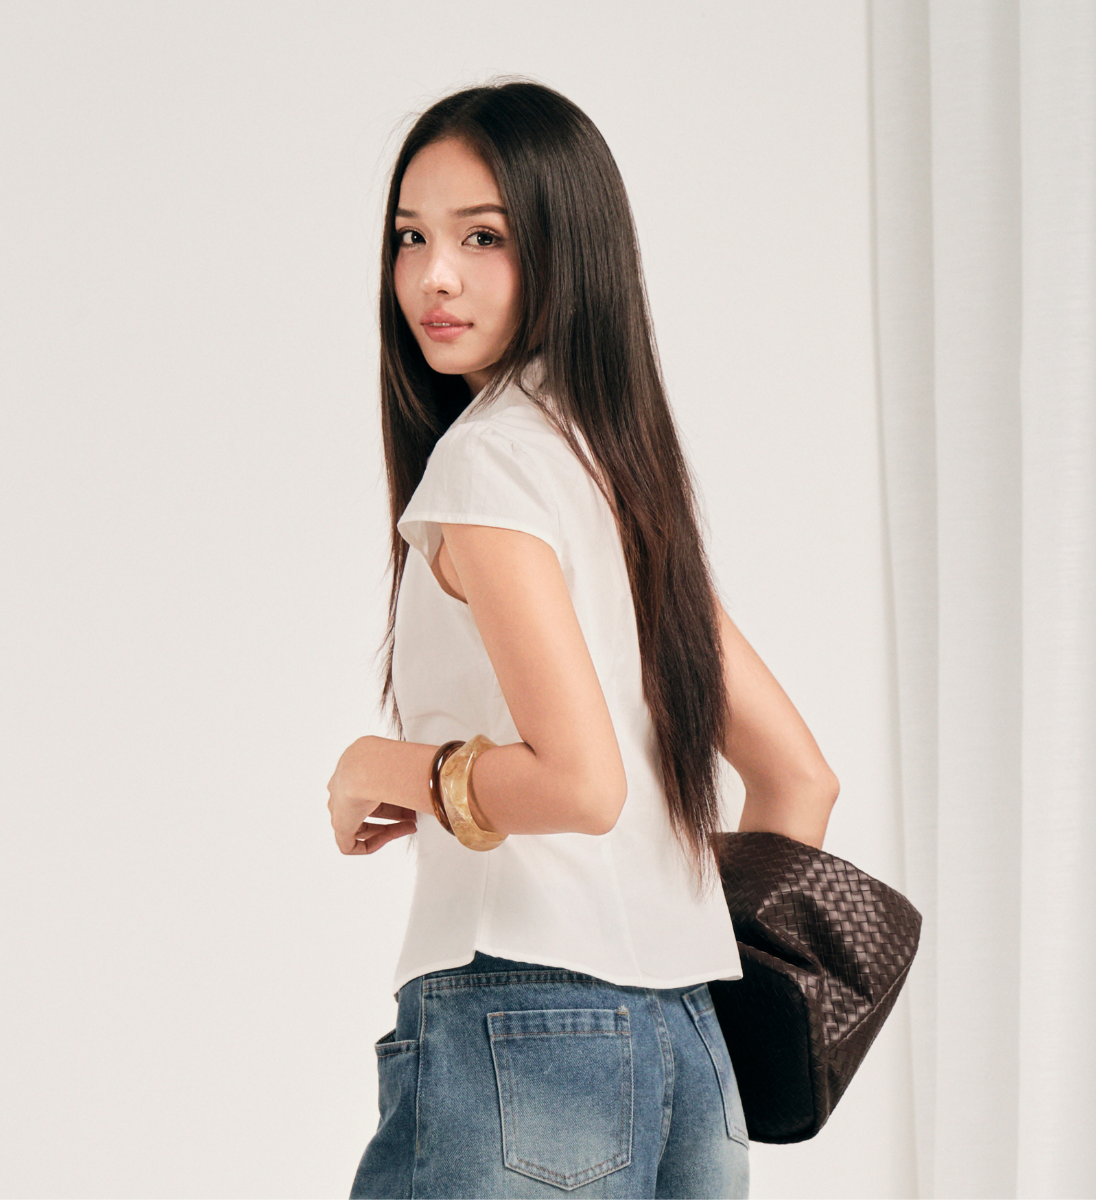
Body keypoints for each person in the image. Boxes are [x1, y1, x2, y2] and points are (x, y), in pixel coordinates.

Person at [327, 79, 838, 1200]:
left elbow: (579, 784)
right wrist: (669, 952)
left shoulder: (488, 463)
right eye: (411, 236)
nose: (434, 276)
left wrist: (377, 768)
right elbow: (799, 779)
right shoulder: (617, 471)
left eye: (484, 237)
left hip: (520, 1020)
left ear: (570, 250)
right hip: (693, 1051)